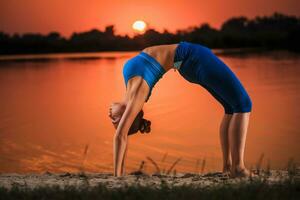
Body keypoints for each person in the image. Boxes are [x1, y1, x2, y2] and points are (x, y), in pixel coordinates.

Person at [108, 41, 252, 178]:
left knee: (230, 107)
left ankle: (228, 166)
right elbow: (120, 136)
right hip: (195, 59)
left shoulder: (129, 81)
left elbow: (122, 130)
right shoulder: (138, 91)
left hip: (189, 61)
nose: (109, 114)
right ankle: (238, 168)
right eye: (114, 120)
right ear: (122, 117)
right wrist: (118, 175)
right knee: (243, 104)